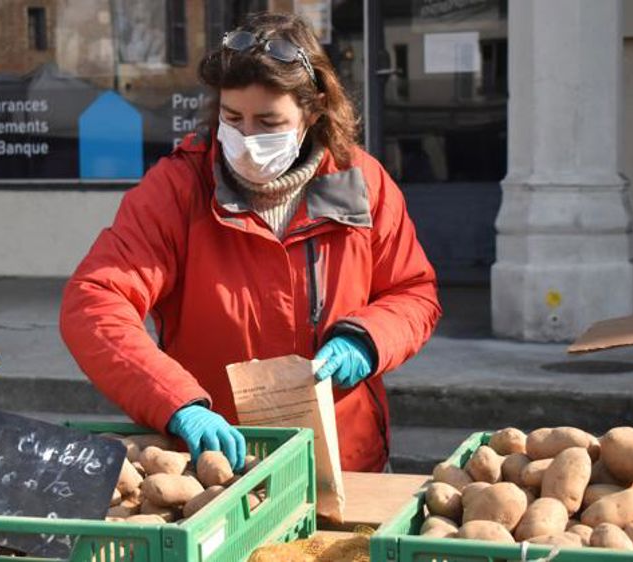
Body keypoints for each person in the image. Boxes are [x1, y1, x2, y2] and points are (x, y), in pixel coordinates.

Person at [60, 12, 440, 473]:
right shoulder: (178, 190)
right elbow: (95, 302)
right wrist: (177, 403)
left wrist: (369, 339)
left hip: (346, 457)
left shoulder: (364, 183)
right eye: (232, 117)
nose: (247, 138)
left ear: (313, 110)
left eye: (268, 121)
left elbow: (413, 292)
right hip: (221, 462)